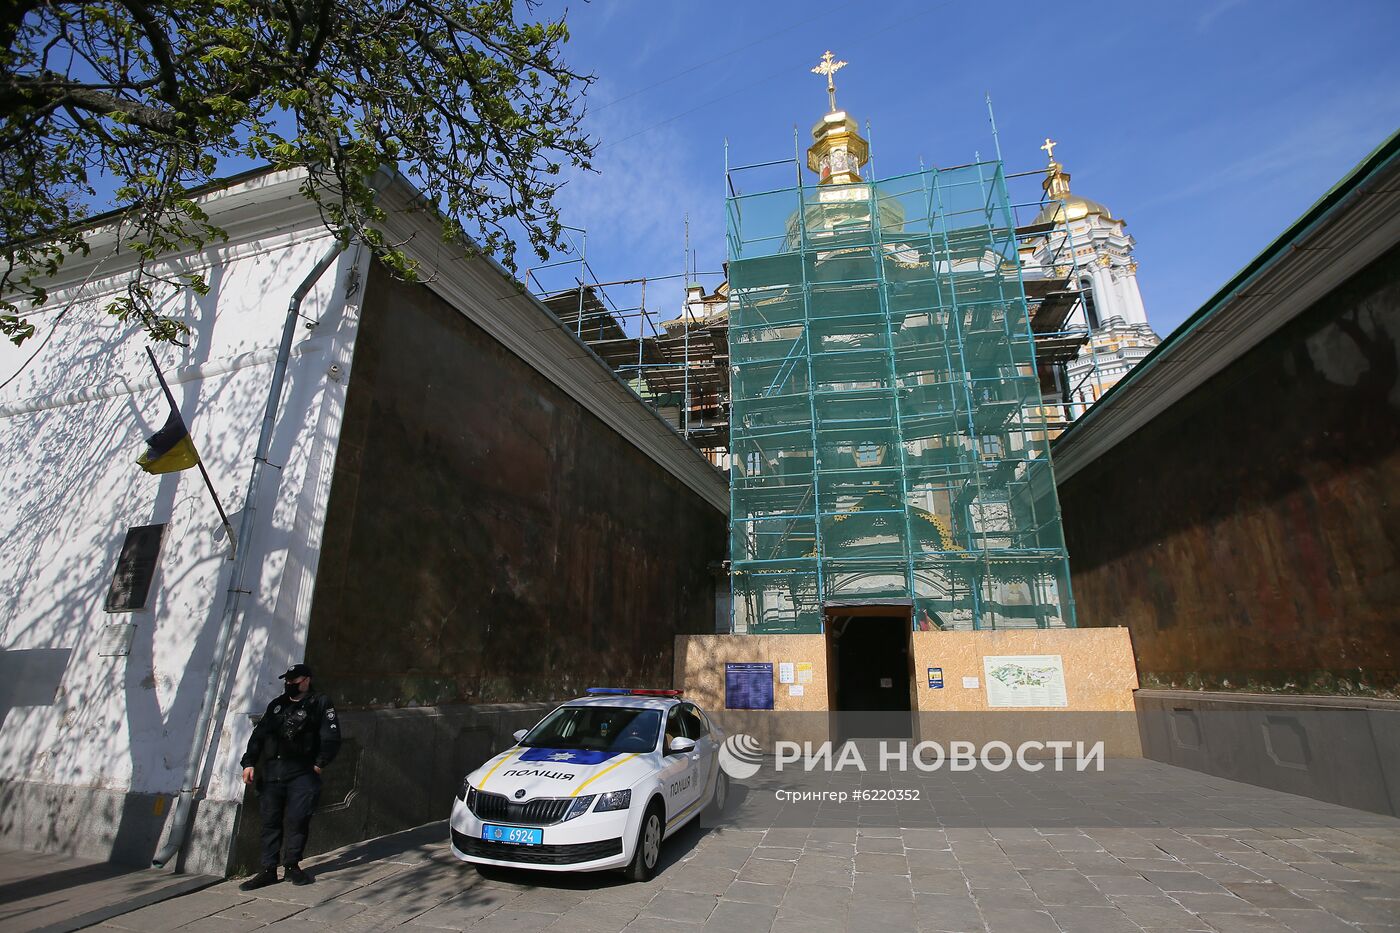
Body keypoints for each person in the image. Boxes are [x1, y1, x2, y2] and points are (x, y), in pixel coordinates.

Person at [238, 663, 341, 889]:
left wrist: (319, 764)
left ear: (306, 681)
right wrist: (249, 762)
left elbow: (331, 738)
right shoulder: (277, 705)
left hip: (302, 772)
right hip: (273, 772)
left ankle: (292, 865)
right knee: (270, 821)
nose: (289, 685)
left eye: (294, 681)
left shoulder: (319, 703)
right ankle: (268, 869)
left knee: (298, 819)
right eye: (287, 681)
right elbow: (259, 736)